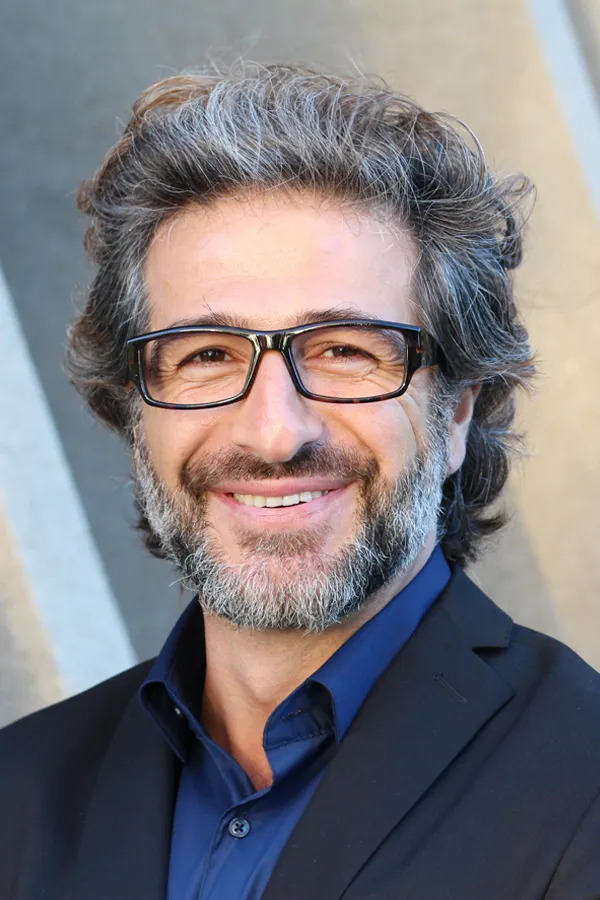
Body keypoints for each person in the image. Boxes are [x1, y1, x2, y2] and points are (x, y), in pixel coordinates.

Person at [1, 63, 599, 900]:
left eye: (345, 351)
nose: (275, 432)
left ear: (458, 411)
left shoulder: (584, 784)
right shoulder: (19, 793)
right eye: (207, 355)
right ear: (136, 411)